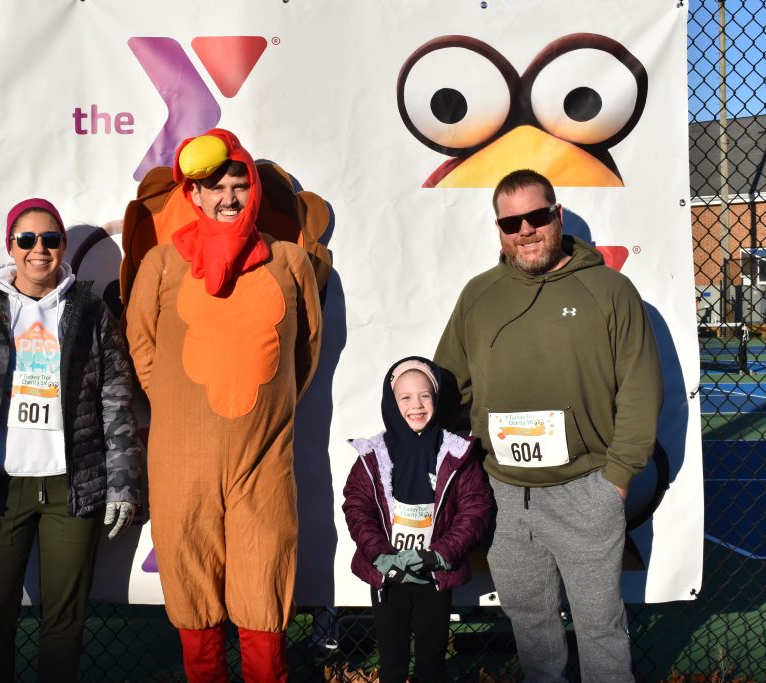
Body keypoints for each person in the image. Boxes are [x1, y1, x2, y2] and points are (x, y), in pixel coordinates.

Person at [434, 169, 663, 682]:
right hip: (505, 497)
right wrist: (463, 470)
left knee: (601, 628)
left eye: (537, 217)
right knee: (532, 629)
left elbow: (641, 387)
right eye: (511, 221)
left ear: (557, 216)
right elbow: (451, 386)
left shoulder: (610, 289)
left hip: (588, 491)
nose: (526, 230)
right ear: (499, 229)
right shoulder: (478, 296)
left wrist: (617, 481)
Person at [124, 129, 323, 682]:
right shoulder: (162, 264)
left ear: (253, 190)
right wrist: (172, 402)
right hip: (180, 462)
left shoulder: (288, 262)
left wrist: (268, 408)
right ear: (194, 194)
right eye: (215, 187)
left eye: (239, 185)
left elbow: (304, 352)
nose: (228, 197)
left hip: (264, 459)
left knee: (264, 576)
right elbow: (141, 345)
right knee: (191, 578)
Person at [0, 198, 142, 682]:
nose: (38, 249)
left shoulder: (88, 311)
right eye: (26, 239)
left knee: (64, 623)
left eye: (50, 239)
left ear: (63, 246)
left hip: (73, 487)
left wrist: (123, 485)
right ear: (11, 246)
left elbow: (115, 400)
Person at [343, 356, 491, 682]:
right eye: (405, 397)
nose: (417, 405)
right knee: (392, 662)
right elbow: (357, 508)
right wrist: (380, 555)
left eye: (425, 395)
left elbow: (475, 508)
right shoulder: (372, 455)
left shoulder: (457, 454)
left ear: (436, 400)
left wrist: (439, 554)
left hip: (433, 573)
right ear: (391, 402)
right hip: (389, 573)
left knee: (431, 662)